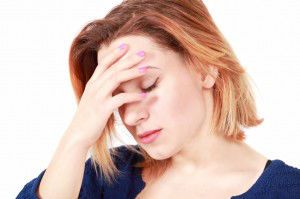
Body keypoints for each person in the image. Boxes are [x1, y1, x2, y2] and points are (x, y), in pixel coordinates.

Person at [17, 0, 300, 198]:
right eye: (118, 96)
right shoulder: (106, 177)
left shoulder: (289, 190)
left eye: (149, 85)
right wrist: (76, 138)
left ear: (205, 68)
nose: (129, 116)